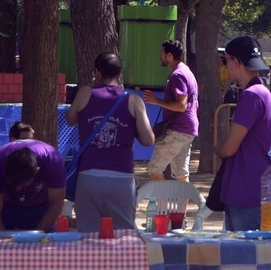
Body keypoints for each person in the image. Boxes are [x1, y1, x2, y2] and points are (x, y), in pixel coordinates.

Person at [65, 52, 154, 232]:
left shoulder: (84, 94)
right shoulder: (133, 100)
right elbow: (148, 140)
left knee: (88, 235)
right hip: (121, 178)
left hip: (88, 176)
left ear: (96, 72)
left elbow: (70, 119)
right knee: (123, 235)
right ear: (120, 72)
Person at [215, 36, 271, 232]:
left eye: (226, 60)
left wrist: (218, 148)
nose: (224, 65)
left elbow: (229, 147)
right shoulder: (263, 92)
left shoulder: (250, 96)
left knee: (242, 259)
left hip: (245, 190)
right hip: (253, 188)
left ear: (237, 62)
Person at [144, 39, 198, 182]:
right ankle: (180, 205)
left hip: (177, 129)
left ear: (169, 56)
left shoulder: (178, 75)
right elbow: (194, 105)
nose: (159, 56)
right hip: (187, 129)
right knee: (181, 174)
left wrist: (157, 101)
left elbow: (181, 106)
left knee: (155, 169)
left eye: (162, 53)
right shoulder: (187, 72)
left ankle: (160, 205)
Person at [0, 138, 66, 232]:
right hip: (6, 206)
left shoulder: (53, 161)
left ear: (36, 171)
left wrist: (37, 235)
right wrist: (1, 241)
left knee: (42, 243)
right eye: (14, 184)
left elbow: (56, 205)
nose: (18, 189)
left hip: (41, 207)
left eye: (23, 185)